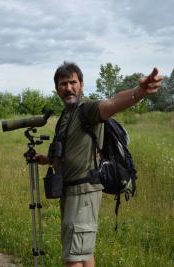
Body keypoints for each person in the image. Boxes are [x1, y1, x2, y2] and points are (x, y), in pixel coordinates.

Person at [35, 62, 162, 267]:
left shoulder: (89, 109)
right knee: (83, 252)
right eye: (63, 84)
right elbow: (70, 150)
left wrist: (139, 92)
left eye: (73, 82)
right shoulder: (66, 116)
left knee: (73, 257)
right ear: (57, 88)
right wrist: (48, 160)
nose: (68, 88)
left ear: (82, 85)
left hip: (83, 191)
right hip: (70, 191)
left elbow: (111, 104)